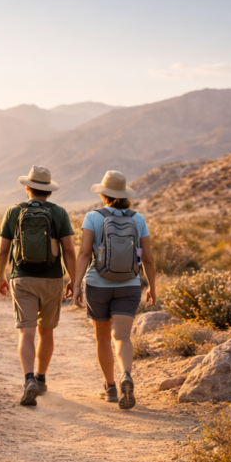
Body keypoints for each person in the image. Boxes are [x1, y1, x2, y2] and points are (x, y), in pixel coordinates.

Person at [75, 170, 156, 410]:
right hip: (129, 285)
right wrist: (151, 286)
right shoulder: (138, 219)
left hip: (97, 284)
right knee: (122, 337)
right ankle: (126, 376)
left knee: (102, 338)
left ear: (104, 194)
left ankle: (110, 388)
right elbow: (148, 258)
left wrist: (76, 283)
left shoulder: (92, 217)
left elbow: (84, 253)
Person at [0, 165, 77, 406]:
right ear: (48, 191)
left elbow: (2, 250)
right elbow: (69, 250)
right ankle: (41, 379)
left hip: (22, 278)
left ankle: (28, 378)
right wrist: (74, 279)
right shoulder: (60, 213)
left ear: (27, 188)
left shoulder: (13, 211)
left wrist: (1, 276)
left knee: (26, 332)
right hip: (52, 280)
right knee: (46, 331)